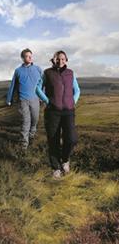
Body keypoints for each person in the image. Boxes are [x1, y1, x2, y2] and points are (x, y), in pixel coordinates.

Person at [36, 50, 80, 179]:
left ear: (66, 60)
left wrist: (73, 101)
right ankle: (56, 168)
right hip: (52, 112)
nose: (60, 61)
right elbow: (37, 89)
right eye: (57, 59)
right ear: (53, 60)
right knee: (53, 140)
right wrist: (47, 101)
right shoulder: (47, 73)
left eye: (62, 59)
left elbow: (77, 90)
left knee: (71, 139)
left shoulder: (70, 73)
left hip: (68, 111)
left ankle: (65, 160)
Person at [6, 48, 43, 149]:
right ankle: (23, 146)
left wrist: (42, 96)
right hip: (23, 100)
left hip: (35, 99)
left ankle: (31, 137)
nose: (30, 57)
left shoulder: (38, 69)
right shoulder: (18, 71)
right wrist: (9, 99)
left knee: (35, 120)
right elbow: (13, 85)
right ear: (22, 58)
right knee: (25, 122)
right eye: (27, 56)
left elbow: (43, 83)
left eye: (31, 55)